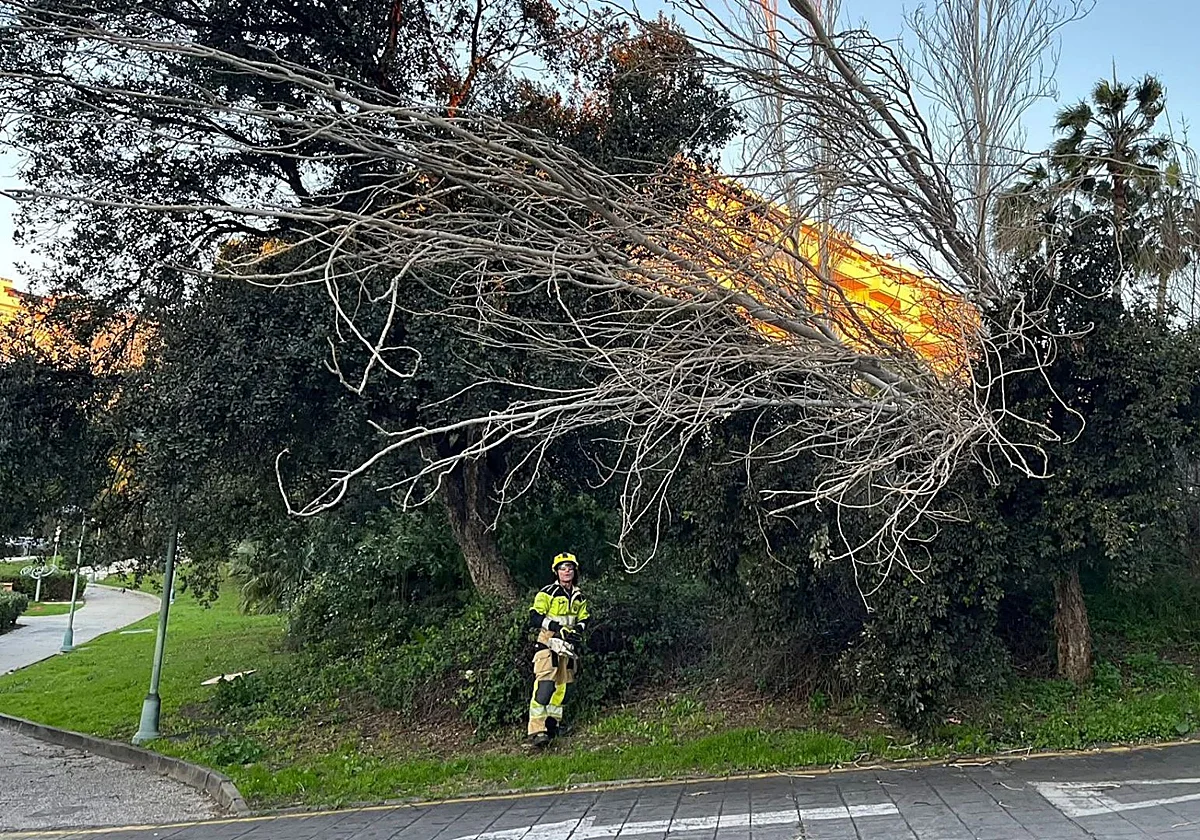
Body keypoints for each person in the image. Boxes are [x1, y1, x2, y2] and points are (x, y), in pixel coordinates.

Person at [526, 552, 590, 748]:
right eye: (563, 568)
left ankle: (553, 725)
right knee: (545, 688)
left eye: (570, 567)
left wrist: (578, 630)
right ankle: (537, 730)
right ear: (556, 572)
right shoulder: (548, 592)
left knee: (564, 688)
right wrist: (555, 627)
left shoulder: (579, 596)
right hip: (548, 645)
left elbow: (585, 618)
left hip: (567, 647)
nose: (567, 571)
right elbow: (534, 617)